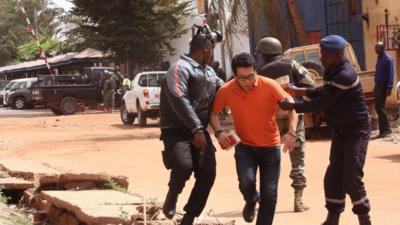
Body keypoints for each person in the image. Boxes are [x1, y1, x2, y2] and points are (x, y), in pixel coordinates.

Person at [279, 35, 372, 225]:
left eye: (324, 54)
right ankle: (333, 218)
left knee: (351, 176)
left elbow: (322, 102)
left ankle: (364, 219)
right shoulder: (333, 69)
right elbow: (323, 91)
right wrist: (299, 91)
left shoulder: (345, 74)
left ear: (337, 54)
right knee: (332, 177)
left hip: (356, 131)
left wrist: (293, 106)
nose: (320, 58)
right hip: (341, 131)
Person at [210, 53, 298, 225]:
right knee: (246, 182)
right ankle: (251, 200)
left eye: (251, 76)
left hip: (270, 147)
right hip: (245, 147)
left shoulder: (270, 85)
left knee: (270, 194)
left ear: (256, 71)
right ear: (235, 75)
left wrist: (292, 132)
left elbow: (291, 107)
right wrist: (219, 132)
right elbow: (213, 113)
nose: (247, 82)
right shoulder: (226, 90)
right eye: (242, 78)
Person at [159, 33, 224, 224]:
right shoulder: (179, 69)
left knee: (208, 173)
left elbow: (226, 91)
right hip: (177, 129)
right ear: (205, 49)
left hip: (199, 130)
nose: (212, 54)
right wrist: (197, 129)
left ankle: (189, 216)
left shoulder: (209, 72)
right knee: (183, 165)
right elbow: (179, 99)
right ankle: (172, 196)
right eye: (212, 49)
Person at [256, 37, 315, 212]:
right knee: (298, 159)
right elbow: (310, 83)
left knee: (268, 161)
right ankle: (298, 201)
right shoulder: (291, 64)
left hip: (270, 120)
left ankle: (265, 200)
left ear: (264, 54)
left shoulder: (260, 71)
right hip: (293, 117)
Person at [374, 42, 394, 138]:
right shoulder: (379, 58)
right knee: (378, 107)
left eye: (377, 48)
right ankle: (382, 131)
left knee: (380, 107)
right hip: (377, 85)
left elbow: (391, 74)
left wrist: (389, 87)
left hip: (383, 85)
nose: (376, 50)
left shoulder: (388, 60)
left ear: (382, 49)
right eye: (375, 48)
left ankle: (387, 130)